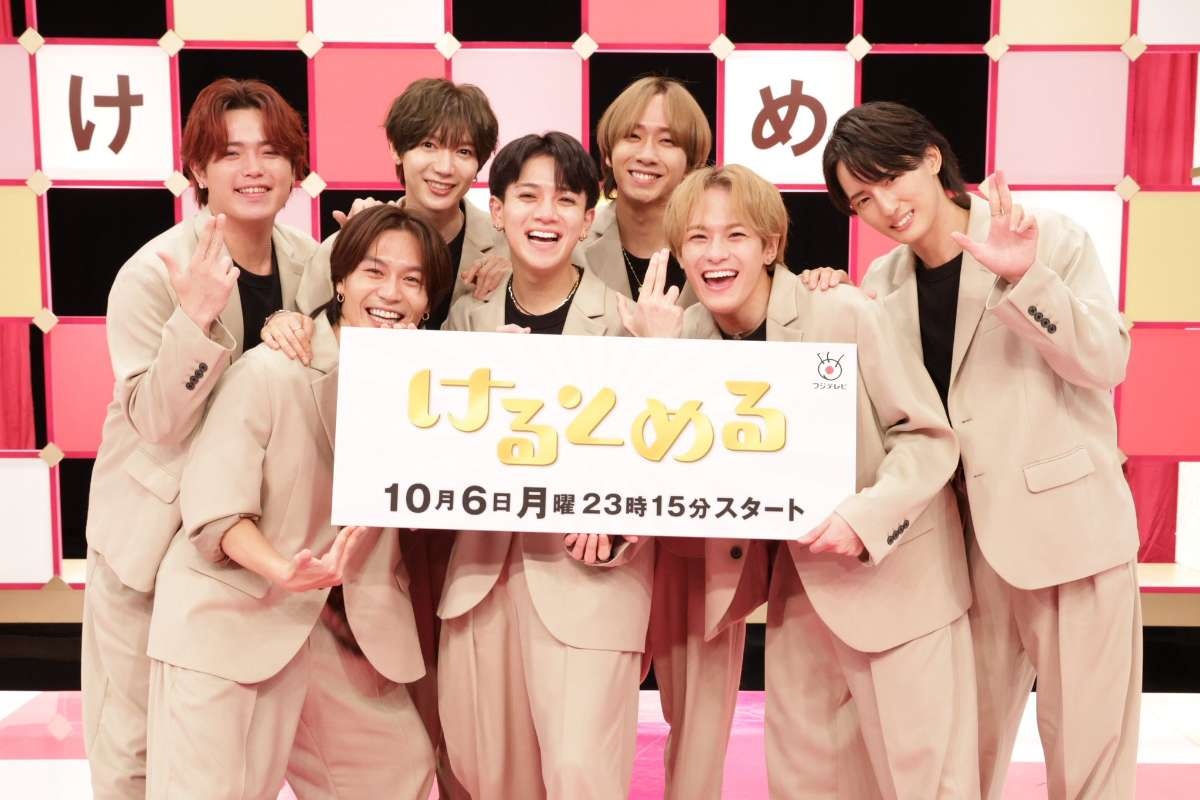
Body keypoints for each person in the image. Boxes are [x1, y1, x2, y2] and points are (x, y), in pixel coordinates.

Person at [813, 101, 1142, 799]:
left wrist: (1026, 279)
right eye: (862, 200)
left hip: (1070, 534)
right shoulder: (881, 287)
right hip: (957, 554)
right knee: (962, 762)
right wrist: (825, 303)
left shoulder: (1046, 236)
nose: (885, 207)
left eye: (890, 178)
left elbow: (1106, 362)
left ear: (932, 158)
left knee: (1090, 757)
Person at [624, 164, 979, 799]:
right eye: (697, 238)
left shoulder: (841, 312)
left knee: (927, 785)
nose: (715, 254)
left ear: (770, 246)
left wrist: (863, 519)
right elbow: (668, 471)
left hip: (900, 583)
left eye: (735, 235)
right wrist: (659, 362)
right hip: (797, 591)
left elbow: (928, 439)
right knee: (804, 783)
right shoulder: (687, 335)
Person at [145, 205, 452, 799]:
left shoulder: (432, 392)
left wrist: (502, 374)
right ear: (340, 282)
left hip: (343, 630)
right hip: (234, 611)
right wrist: (284, 569)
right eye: (373, 272)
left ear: (427, 303)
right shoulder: (273, 368)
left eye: (412, 280)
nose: (391, 293)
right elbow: (216, 511)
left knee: (399, 773)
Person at [261, 78, 506, 799]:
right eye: (427, 145)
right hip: (373, 504)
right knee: (397, 671)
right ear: (398, 152)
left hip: (469, 497)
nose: (445, 165)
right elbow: (309, 338)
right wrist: (283, 322)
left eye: (464, 151)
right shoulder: (351, 240)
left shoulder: (505, 242)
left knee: (471, 686)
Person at [81, 78, 316, 799]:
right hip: (152, 541)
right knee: (132, 747)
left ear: (295, 168)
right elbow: (155, 420)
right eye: (231, 153)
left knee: (224, 752)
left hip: (243, 544)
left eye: (270, 152)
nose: (254, 169)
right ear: (198, 171)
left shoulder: (309, 263)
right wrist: (195, 320)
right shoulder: (153, 272)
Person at [436, 132, 654, 800]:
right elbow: (429, 449)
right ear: (497, 211)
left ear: (588, 220)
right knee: (487, 776)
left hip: (590, 579)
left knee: (580, 774)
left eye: (565, 200)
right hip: (480, 581)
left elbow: (665, 455)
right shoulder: (464, 323)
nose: (545, 214)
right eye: (527, 196)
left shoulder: (630, 326)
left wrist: (621, 523)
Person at [591, 75, 746, 800]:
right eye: (633, 136)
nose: (647, 154)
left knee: (703, 727)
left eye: (668, 141)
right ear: (608, 148)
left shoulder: (724, 251)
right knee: (585, 724)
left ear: (694, 159)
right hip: (593, 525)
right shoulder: (561, 235)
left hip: (695, 523)